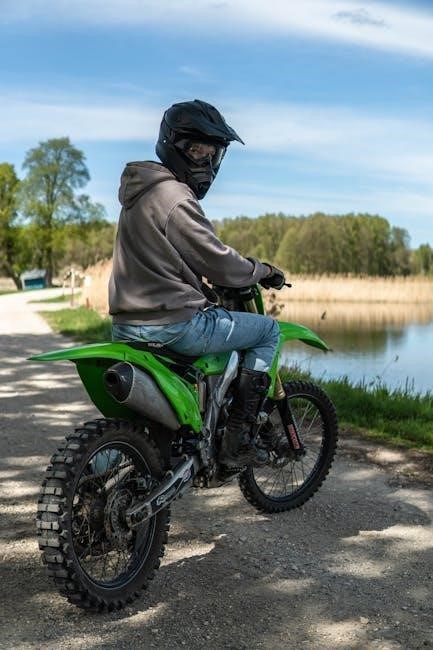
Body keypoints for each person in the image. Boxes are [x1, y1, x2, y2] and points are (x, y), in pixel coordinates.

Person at [109, 99, 286, 466]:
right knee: (268, 331)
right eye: (196, 151)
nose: (205, 162)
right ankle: (237, 439)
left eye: (212, 154)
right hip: (173, 324)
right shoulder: (174, 196)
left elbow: (170, 256)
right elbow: (217, 260)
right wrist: (261, 270)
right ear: (172, 145)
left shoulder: (140, 193)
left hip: (127, 324)